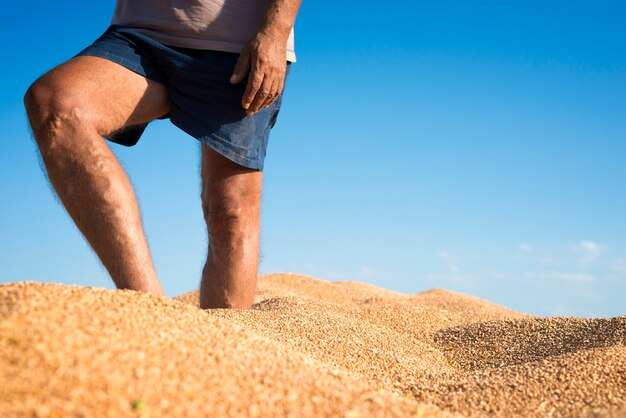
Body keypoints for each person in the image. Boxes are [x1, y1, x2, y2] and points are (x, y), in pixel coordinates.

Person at [23, 0, 302, 309]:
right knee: (55, 104)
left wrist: (275, 31)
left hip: (238, 45)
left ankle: (223, 349)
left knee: (230, 209)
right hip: (138, 33)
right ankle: (151, 311)